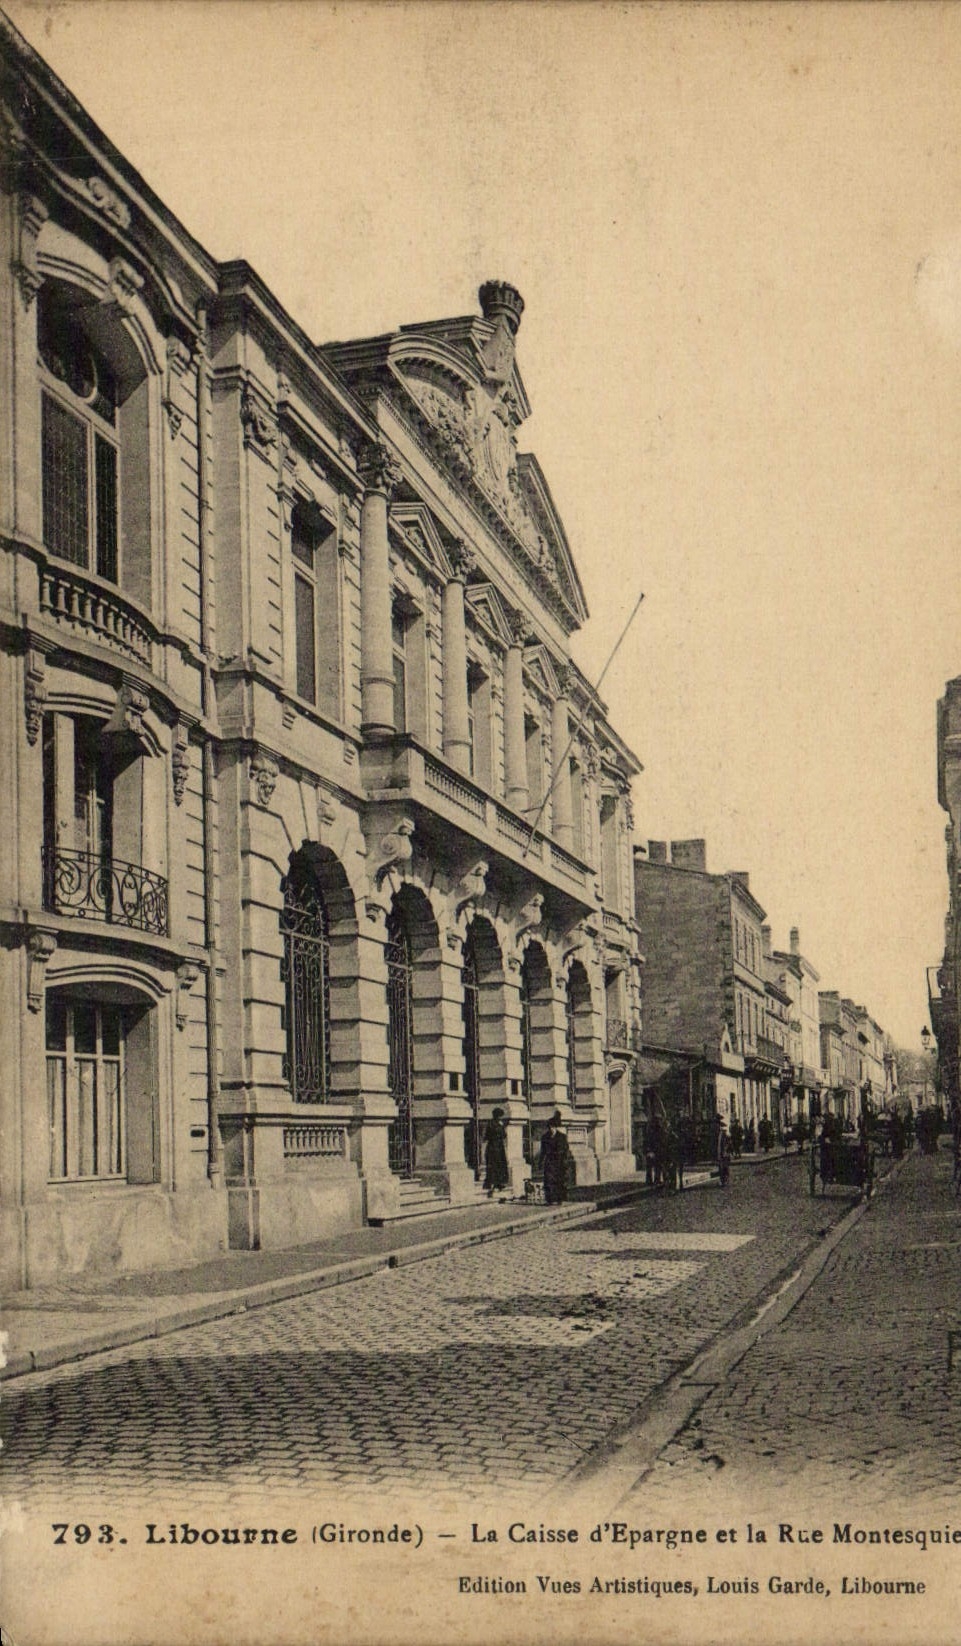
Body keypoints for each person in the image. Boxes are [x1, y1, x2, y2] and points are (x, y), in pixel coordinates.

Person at [539, 1110, 572, 1205]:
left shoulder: (562, 1137)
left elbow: (566, 1150)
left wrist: (565, 1161)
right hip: (549, 1161)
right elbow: (542, 1151)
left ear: (555, 1127)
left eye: (552, 1127)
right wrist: (540, 1162)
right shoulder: (545, 1137)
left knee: (559, 1180)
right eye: (549, 1127)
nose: (551, 1129)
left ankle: (559, 1199)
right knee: (548, 1180)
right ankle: (549, 1199)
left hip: (559, 1161)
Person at [483, 1107, 510, 1197]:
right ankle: (496, 1183)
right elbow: (504, 1135)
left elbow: (486, 1136)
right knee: (496, 1165)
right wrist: (501, 1127)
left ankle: (496, 1183)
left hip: (494, 1147)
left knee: (496, 1166)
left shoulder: (490, 1124)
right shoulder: (497, 1124)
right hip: (496, 1147)